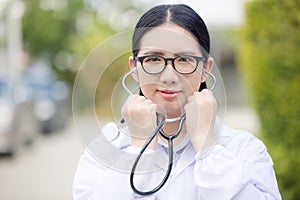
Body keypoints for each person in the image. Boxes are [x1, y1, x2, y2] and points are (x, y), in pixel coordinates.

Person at [73, 4, 281, 199]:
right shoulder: (106, 147)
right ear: (134, 68)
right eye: (154, 59)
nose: (169, 76)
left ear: (206, 69)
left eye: (184, 59)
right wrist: (138, 148)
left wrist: (207, 146)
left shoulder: (243, 148)